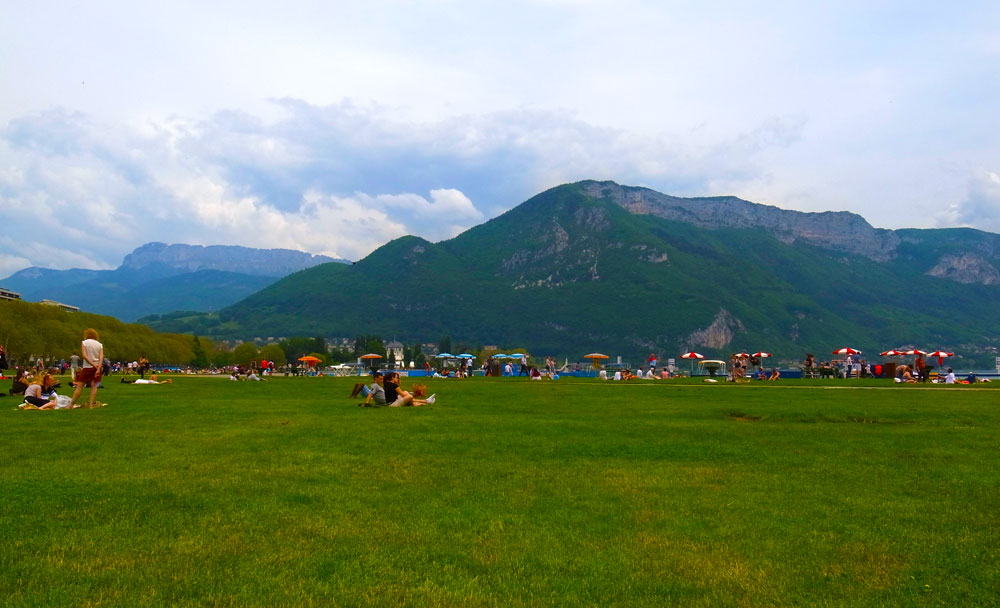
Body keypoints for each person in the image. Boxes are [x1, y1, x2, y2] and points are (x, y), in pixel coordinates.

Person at [69, 328, 104, 408]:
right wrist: (98, 368)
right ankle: (91, 405)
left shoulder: (84, 343)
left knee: (80, 386)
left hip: (87, 367)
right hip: (97, 366)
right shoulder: (99, 344)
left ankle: (71, 404)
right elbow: (101, 357)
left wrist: (92, 364)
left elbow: (84, 356)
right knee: (94, 386)